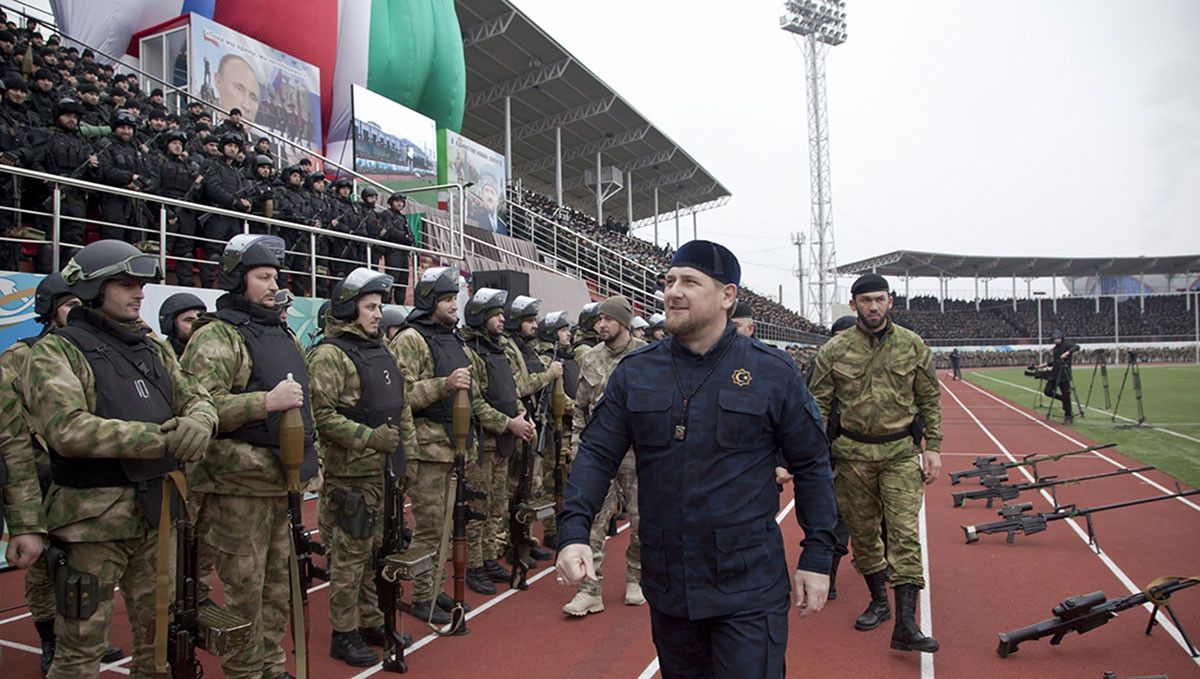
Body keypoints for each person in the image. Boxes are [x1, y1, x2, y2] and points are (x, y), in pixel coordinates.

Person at [557, 241, 837, 677]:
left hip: (747, 584)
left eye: (689, 281)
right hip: (670, 583)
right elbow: (595, 453)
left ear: (727, 296)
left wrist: (818, 555)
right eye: (669, 282)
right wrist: (573, 531)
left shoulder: (772, 371)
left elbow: (813, 464)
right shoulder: (636, 372)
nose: (672, 292)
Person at [25, 240, 217, 677]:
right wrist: (162, 439)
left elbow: (198, 397)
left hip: (158, 516)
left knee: (160, 644)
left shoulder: (153, 347)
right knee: (79, 652)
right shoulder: (57, 351)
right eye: (127, 284)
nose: (139, 294)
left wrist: (200, 423)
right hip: (91, 524)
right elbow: (66, 428)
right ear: (94, 288)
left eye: (141, 285)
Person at [181, 234, 318, 679]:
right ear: (239, 280)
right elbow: (198, 405)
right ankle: (244, 672)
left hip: (281, 485)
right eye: (262, 277)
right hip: (236, 490)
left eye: (274, 277)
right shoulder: (217, 335)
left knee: (278, 589)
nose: (271, 285)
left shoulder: (280, 334)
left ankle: (271, 665)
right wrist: (264, 403)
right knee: (244, 592)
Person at [808, 273, 941, 653]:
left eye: (879, 299)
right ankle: (879, 602)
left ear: (890, 302)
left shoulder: (912, 346)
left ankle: (907, 623)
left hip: (899, 452)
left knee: (903, 534)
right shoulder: (833, 351)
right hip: (852, 457)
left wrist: (934, 447)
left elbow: (930, 399)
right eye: (865, 301)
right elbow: (817, 404)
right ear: (853, 305)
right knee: (865, 538)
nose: (873, 307)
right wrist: (816, 450)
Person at [390, 267, 527, 622]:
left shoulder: (453, 341)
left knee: (450, 526)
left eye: (456, 299)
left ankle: (434, 588)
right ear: (430, 301)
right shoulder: (411, 339)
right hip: (428, 449)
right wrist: (442, 385)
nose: (455, 306)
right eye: (449, 299)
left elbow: (476, 398)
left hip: (456, 447)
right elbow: (400, 396)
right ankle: (422, 595)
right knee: (429, 528)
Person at [308, 268, 417, 666]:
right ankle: (343, 632)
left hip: (385, 475)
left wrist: (408, 456)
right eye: (370, 307)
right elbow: (321, 415)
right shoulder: (330, 354)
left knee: (378, 555)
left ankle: (371, 620)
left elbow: (401, 406)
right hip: (351, 477)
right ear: (349, 309)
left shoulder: (381, 350)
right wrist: (369, 438)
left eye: (379, 306)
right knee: (349, 559)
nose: (377, 313)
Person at [561, 294, 647, 617]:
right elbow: (580, 409)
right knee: (595, 521)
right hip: (598, 454)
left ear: (623, 322)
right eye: (598, 320)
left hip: (636, 455)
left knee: (641, 521)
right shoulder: (591, 359)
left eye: (607, 319)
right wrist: (576, 447)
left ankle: (635, 577)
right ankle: (589, 589)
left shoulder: (645, 356)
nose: (601, 324)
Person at [458, 288, 536, 594]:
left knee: (496, 506)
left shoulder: (498, 349)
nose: (503, 319)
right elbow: (475, 404)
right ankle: (475, 566)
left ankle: (489, 558)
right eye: (496, 314)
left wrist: (521, 415)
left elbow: (511, 392)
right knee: (477, 510)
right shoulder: (469, 352)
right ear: (480, 315)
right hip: (482, 444)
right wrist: (510, 423)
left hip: (503, 442)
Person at [376, 191, 414, 304]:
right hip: (393, 251)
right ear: (391, 202)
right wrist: (405, 237)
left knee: (403, 280)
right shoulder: (387, 214)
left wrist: (408, 239)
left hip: (403, 252)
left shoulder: (403, 217)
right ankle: (386, 302)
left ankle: (400, 304)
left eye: (402, 201)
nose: (400, 204)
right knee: (392, 278)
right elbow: (391, 232)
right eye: (397, 201)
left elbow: (411, 235)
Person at [1038, 330, 1080, 423]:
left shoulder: (1067, 346)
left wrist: (1068, 352)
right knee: (1047, 391)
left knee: (1066, 394)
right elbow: (1056, 361)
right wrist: (1046, 364)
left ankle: (1068, 415)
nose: (1056, 340)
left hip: (1064, 373)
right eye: (1054, 339)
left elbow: (1077, 347)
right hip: (1055, 373)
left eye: (1058, 338)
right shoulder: (1055, 349)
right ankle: (1062, 399)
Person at [158, 292, 207, 356]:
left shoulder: (213, 354)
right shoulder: (160, 357)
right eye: (189, 320)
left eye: (200, 320)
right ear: (170, 325)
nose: (197, 325)